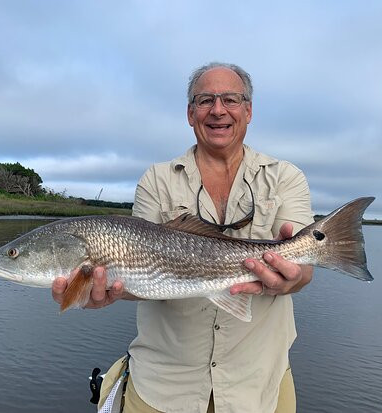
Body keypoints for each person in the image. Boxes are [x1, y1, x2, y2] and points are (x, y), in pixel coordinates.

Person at [52, 62, 314, 413]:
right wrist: (96, 290)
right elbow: (139, 277)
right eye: (205, 100)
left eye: (231, 100)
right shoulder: (156, 180)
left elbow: (304, 268)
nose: (218, 110)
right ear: (190, 114)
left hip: (259, 384)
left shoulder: (286, 177)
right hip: (164, 385)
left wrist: (290, 279)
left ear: (248, 110)